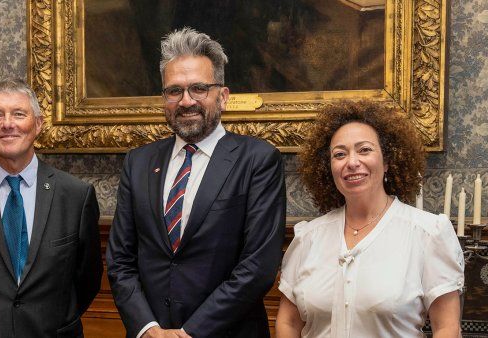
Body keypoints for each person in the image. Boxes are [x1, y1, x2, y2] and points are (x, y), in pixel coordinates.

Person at [106, 27, 286, 338]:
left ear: (223, 96)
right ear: (164, 98)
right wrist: (148, 328)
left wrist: (191, 332)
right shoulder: (138, 162)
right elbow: (120, 259)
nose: (186, 101)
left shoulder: (257, 159)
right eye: (174, 91)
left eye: (199, 88)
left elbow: (257, 267)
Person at [276, 100, 464, 338]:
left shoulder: (427, 233)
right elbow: (288, 323)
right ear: (329, 167)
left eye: (364, 150)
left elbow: (447, 328)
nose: (352, 162)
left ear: (387, 161)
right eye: (340, 154)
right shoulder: (308, 238)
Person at [0, 79, 102, 338]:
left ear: (38, 124)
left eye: (19, 114)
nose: (7, 124)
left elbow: (87, 279)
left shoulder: (76, 196)